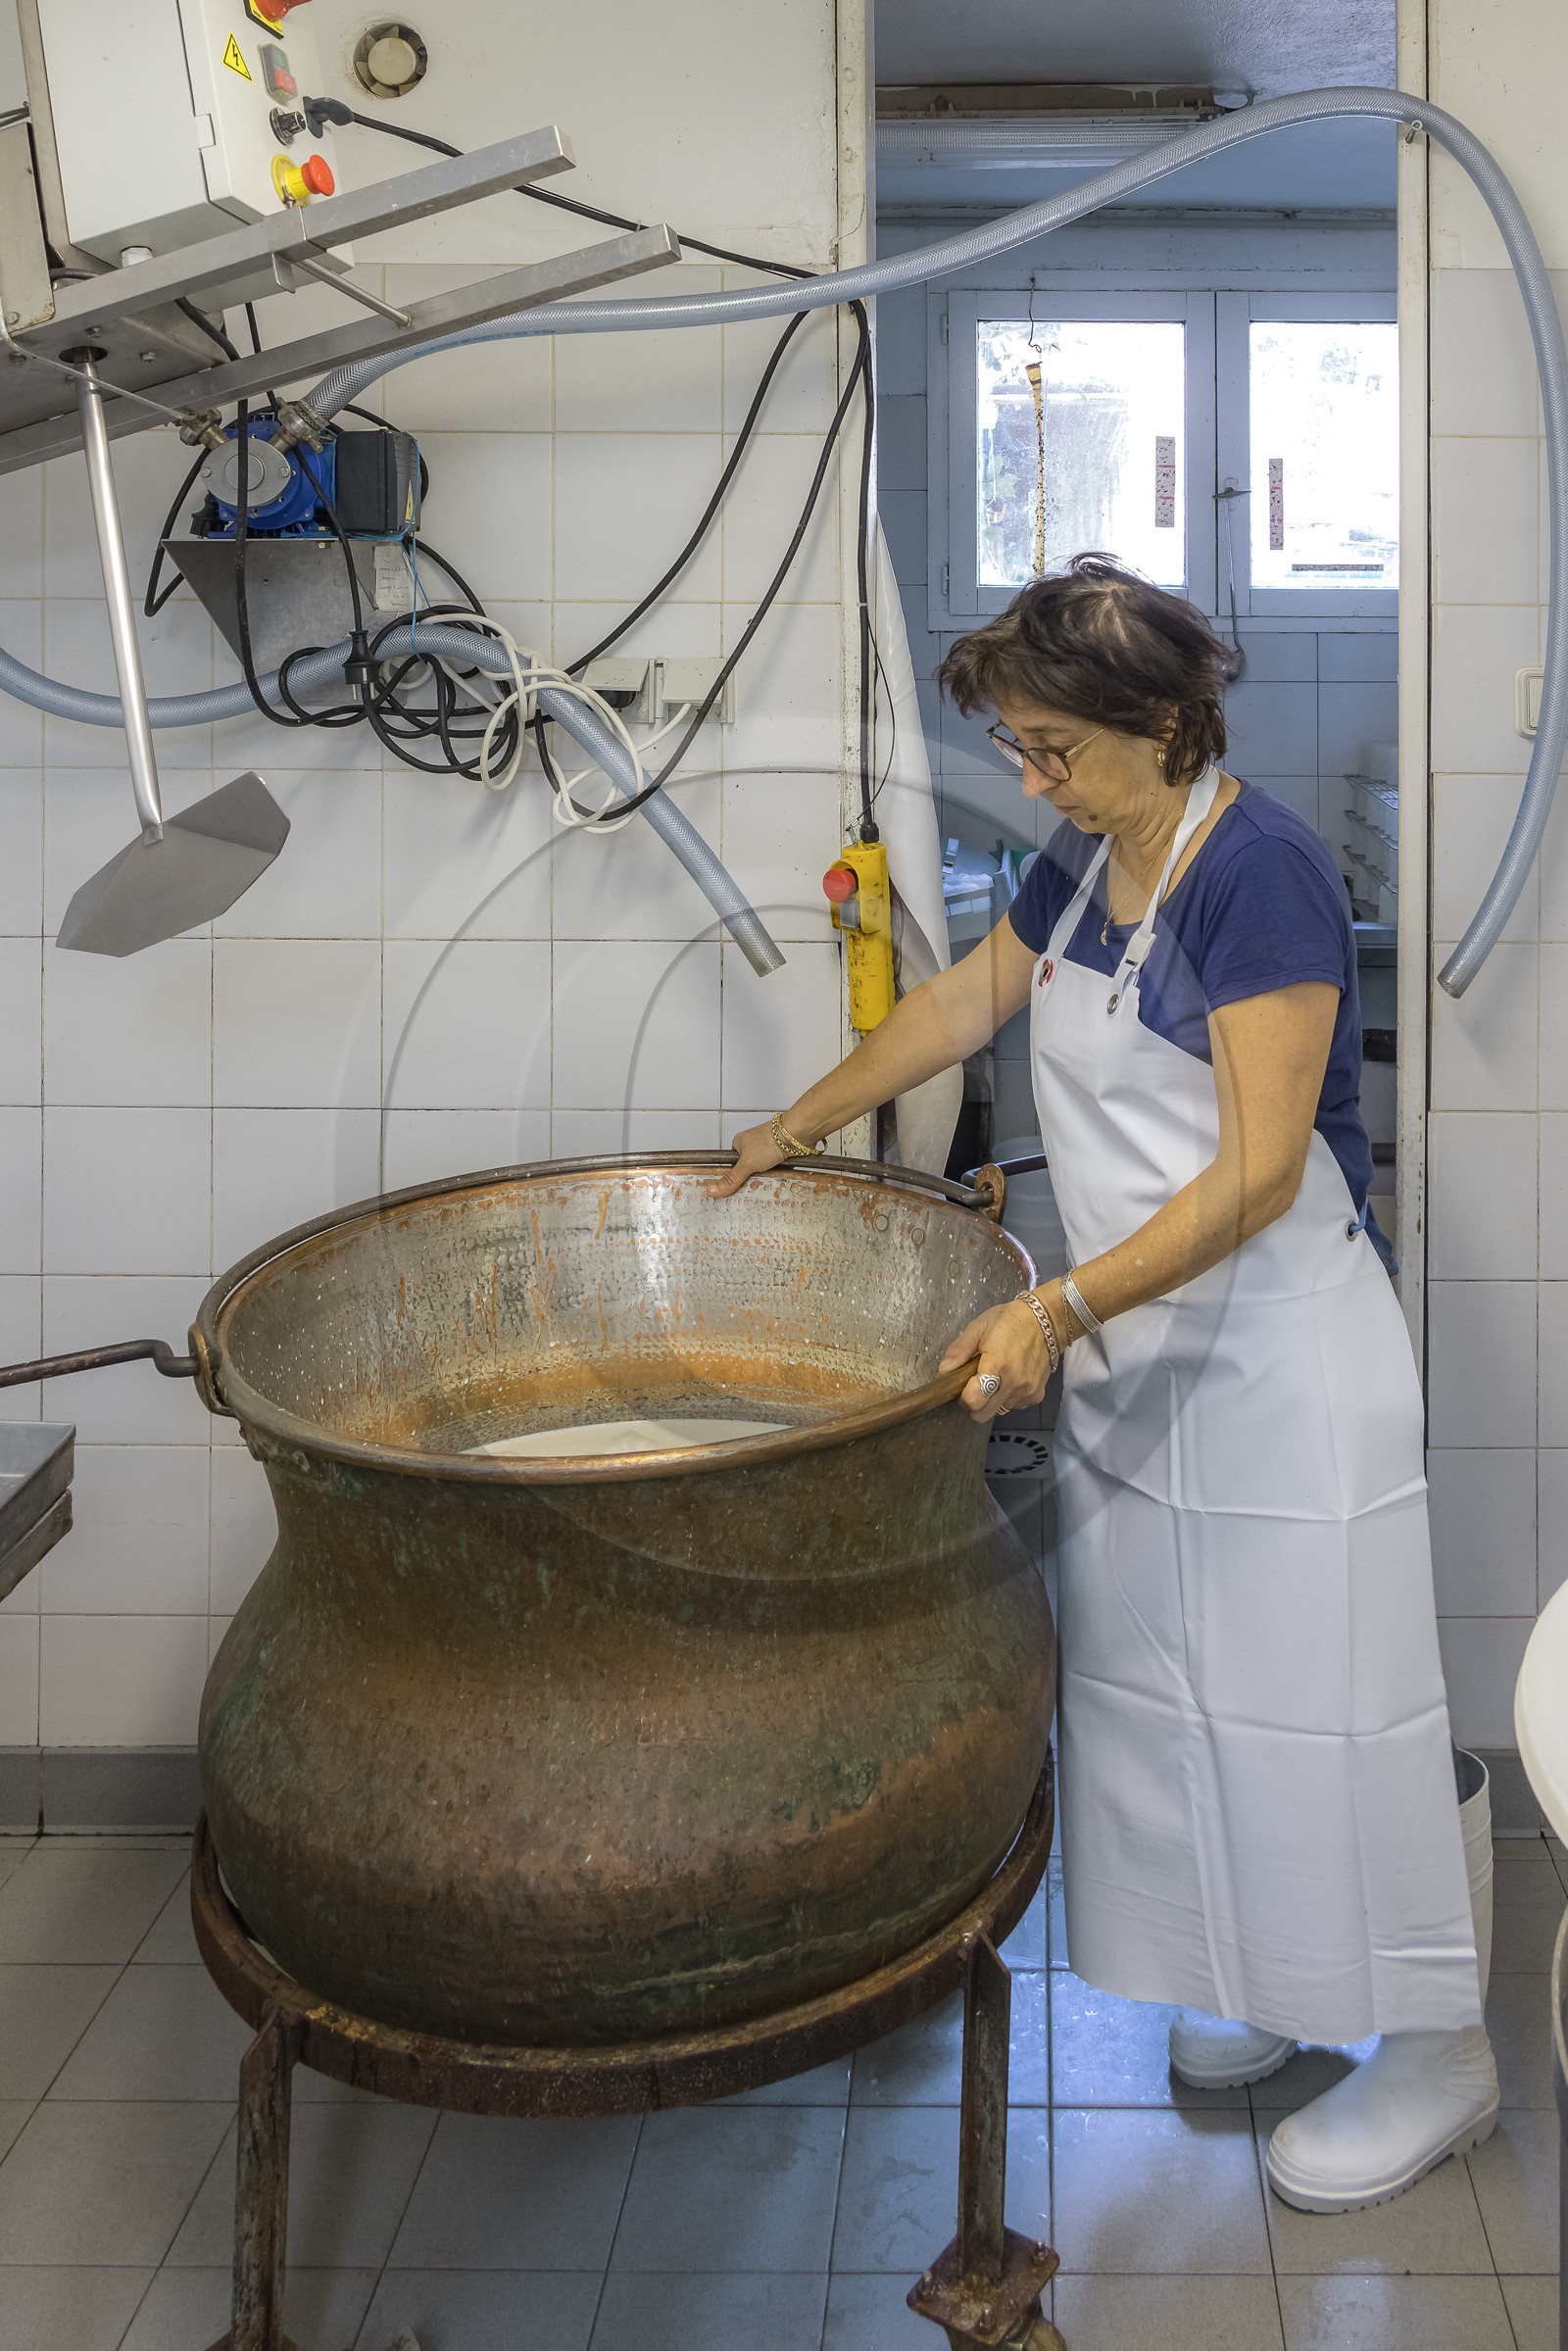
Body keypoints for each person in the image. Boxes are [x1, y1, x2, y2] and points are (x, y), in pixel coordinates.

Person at [709, 554, 1495, 2213]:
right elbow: (953, 1010)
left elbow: (1263, 1171)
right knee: (1182, 1698)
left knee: (1326, 1708)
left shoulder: (1255, 871)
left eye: (1054, 743)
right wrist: (795, 1123)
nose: (1032, 775)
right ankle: (1273, 1986)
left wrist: (1055, 1309)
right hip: (1149, 1360)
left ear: (1157, 722)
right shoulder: (1084, 859)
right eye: (1018, 744)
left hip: (1280, 1362)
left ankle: (1442, 2053)